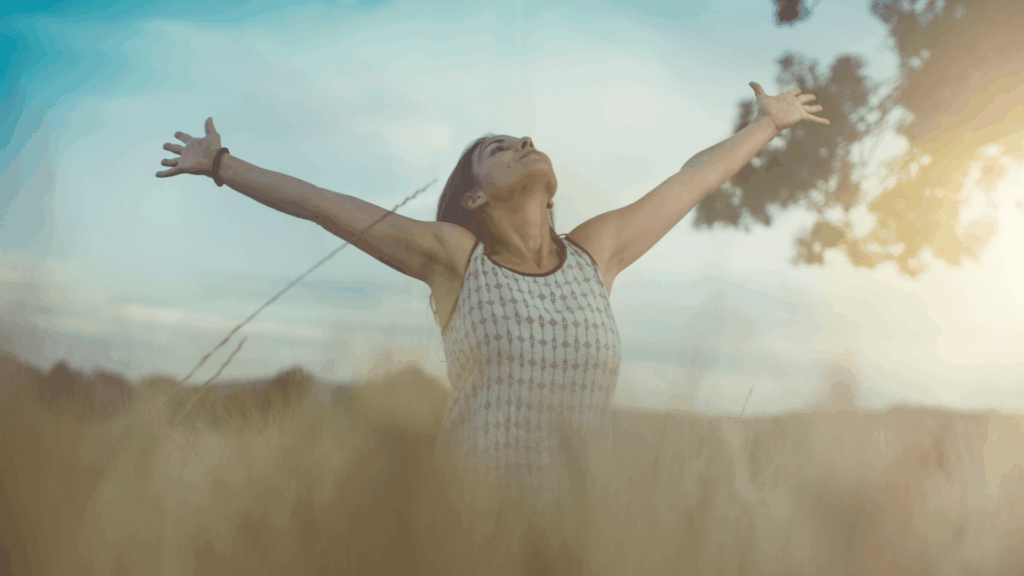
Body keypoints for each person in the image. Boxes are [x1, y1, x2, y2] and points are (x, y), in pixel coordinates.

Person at [155, 81, 828, 511]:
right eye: (500, 149)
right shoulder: (456, 258)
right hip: (472, 523)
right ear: (474, 197)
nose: (524, 144)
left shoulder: (597, 253)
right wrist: (221, 165)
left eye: (523, 141)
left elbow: (688, 183)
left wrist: (767, 124)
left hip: (579, 529)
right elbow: (326, 207)